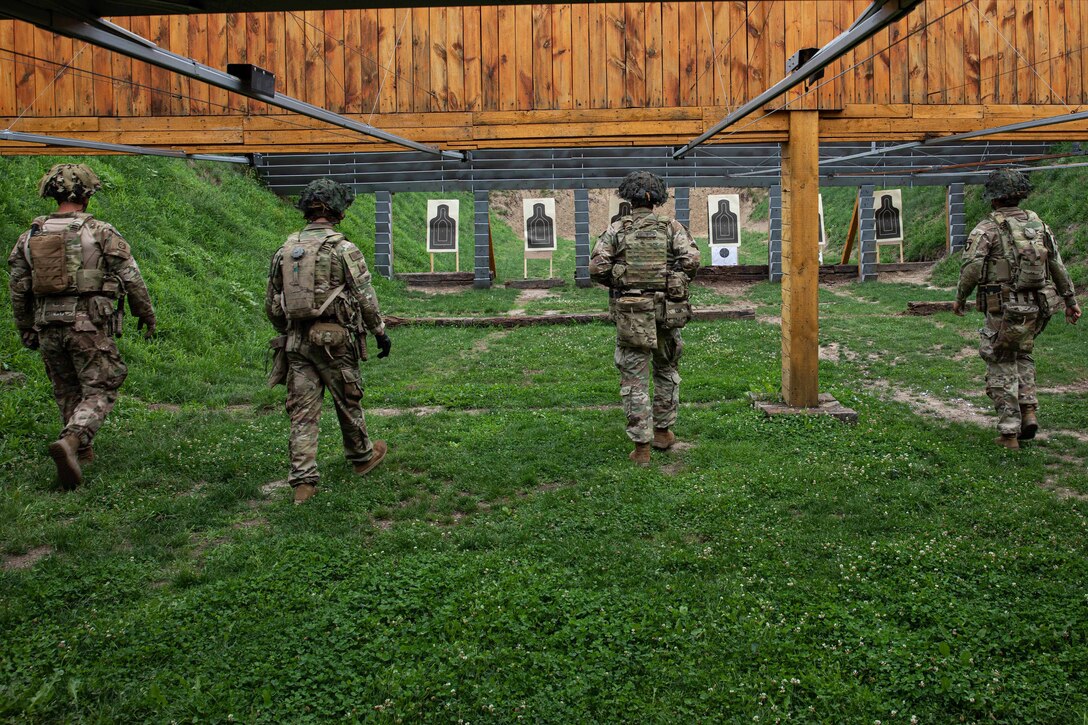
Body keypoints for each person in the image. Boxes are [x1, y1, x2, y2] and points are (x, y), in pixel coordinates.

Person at [7, 163, 156, 488]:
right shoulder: (100, 231)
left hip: (47, 325)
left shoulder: (30, 235)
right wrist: (145, 314)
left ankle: (81, 456)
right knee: (101, 387)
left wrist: (26, 327)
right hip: (87, 324)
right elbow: (131, 278)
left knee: (67, 389)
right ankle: (73, 440)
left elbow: (18, 287)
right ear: (87, 194)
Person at [265, 178, 391, 504]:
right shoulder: (343, 249)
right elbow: (365, 296)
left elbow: (272, 304)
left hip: (295, 343)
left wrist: (291, 329)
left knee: (302, 413)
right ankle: (362, 457)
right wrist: (379, 330)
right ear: (337, 210)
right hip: (335, 341)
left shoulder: (285, 249)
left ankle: (303, 482)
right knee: (348, 400)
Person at [953, 168, 1081, 449]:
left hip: (1003, 308)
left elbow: (972, 268)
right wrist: (1070, 301)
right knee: (1023, 354)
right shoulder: (1038, 226)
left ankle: (1009, 432)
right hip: (1037, 306)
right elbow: (1057, 265)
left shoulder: (987, 229)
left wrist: (961, 298)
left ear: (993, 198)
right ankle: (1028, 410)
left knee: (1000, 359)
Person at [589, 171, 701, 465]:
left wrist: (622, 278)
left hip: (631, 314)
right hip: (667, 312)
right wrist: (670, 278)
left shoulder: (616, 230)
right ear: (657, 200)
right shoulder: (672, 227)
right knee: (666, 370)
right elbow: (691, 260)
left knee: (634, 380)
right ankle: (663, 433)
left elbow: (597, 267)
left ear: (629, 198)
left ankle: (642, 449)